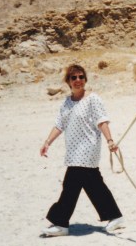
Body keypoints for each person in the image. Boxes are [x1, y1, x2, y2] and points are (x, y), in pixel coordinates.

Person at [39, 63, 125, 237]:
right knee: (93, 184)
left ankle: (60, 222)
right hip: (73, 151)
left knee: (70, 185)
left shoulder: (93, 99)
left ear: (85, 79)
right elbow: (60, 124)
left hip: (88, 148)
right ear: (68, 82)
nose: (78, 80)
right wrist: (47, 142)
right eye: (74, 78)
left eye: (81, 77)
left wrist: (110, 140)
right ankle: (114, 216)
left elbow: (102, 120)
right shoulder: (67, 103)